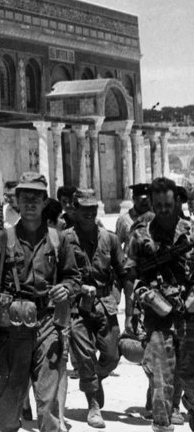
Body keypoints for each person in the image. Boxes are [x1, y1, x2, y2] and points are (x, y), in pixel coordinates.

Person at [0, 172, 81, 432]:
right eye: (25, 198)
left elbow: (74, 277)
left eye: (36, 198)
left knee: (49, 400)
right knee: (9, 406)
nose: (31, 203)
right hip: (11, 329)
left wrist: (66, 289)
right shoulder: (2, 239)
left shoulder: (58, 239)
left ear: (45, 202)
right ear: (17, 202)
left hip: (47, 323)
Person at [126, 177, 194, 432]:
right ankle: (162, 424)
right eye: (159, 206)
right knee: (160, 379)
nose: (164, 210)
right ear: (152, 205)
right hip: (157, 317)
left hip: (189, 316)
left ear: (177, 202)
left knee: (190, 377)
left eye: (168, 205)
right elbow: (130, 274)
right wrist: (138, 302)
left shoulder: (191, 232)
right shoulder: (140, 234)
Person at [63, 189, 125, 429]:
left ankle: (96, 379)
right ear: (74, 210)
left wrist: (116, 296)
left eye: (92, 209)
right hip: (77, 307)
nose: (89, 213)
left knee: (112, 355)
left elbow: (123, 272)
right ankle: (93, 404)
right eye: (84, 209)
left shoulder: (110, 239)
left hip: (104, 305)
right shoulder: (64, 239)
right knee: (85, 356)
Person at [117, 183, 151, 328]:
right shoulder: (124, 219)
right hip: (131, 272)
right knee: (131, 310)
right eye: (141, 199)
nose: (145, 202)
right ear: (134, 199)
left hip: (151, 271)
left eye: (147, 199)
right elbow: (117, 244)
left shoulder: (155, 217)